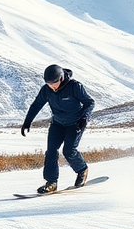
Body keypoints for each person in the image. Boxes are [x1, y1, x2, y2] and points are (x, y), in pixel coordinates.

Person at [21, 64, 95, 194]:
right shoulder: (46, 90)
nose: (52, 86)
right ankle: (51, 183)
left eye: (54, 83)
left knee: (69, 151)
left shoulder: (74, 86)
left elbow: (90, 102)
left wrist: (84, 118)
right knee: (51, 152)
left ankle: (82, 170)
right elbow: (36, 105)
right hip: (57, 124)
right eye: (49, 83)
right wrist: (27, 121)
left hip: (75, 124)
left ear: (61, 78)